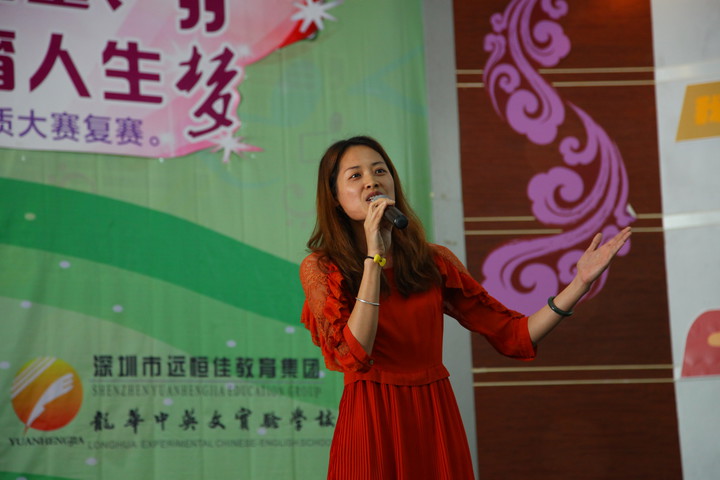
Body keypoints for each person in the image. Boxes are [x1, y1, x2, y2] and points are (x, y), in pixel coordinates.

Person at [299, 135, 632, 479]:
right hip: (370, 419)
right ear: (334, 197)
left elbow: (514, 335)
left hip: (434, 416)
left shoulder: (433, 261)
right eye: (355, 175)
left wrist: (579, 284)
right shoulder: (322, 269)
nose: (372, 181)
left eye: (380, 171)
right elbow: (354, 354)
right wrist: (375, 258)